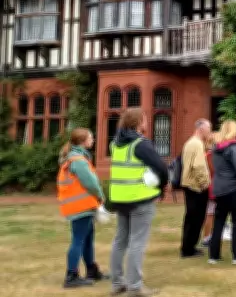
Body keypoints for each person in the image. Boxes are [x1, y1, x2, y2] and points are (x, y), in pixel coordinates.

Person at [109, 108, 169, 297]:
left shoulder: (115, 144)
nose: (147, 123)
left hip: (120, 198)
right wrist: (162, 186)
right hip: (140, 198)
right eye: (145, 119)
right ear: (138, 123)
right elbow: (161, 167)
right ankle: (135, 287)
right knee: (137, 242)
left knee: (120, 241)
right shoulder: (141, 144)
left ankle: (117, 282)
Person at [57, 127, 108, 288]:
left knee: (87, 238)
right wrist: (100, 195)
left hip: (80, 206)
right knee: (78, 240)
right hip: (81, 207)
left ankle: (91, 269)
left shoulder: (75, 158)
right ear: (83, 141)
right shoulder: (78, 160)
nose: (93, 140)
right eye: (91, 137)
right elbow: (90, 182)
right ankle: (71, 276)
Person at [208, 120, 236, 265]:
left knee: (219, 221)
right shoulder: (235, 147)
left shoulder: (216, 149)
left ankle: (213, 255)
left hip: (220, 188)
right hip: (235, 188)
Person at [179, 118, 211, 258]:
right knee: (195, 218)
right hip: (196, 186)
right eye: (209, 128)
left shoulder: (190, 143)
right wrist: (204, 183)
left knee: (192, 218)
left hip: (190, 184)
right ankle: (188, 249)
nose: (210, 132)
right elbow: (198, 166)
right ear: (201, 129)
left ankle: (189, 246)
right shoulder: (196, 144)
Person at [201, 131, 221, 247]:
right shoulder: (210, 155)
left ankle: (209, 235)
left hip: (211, 185)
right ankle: (207, 237)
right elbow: (214, 171)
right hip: (212, 186)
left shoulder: (207, 154)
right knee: (210, 213)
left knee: (211, 213)